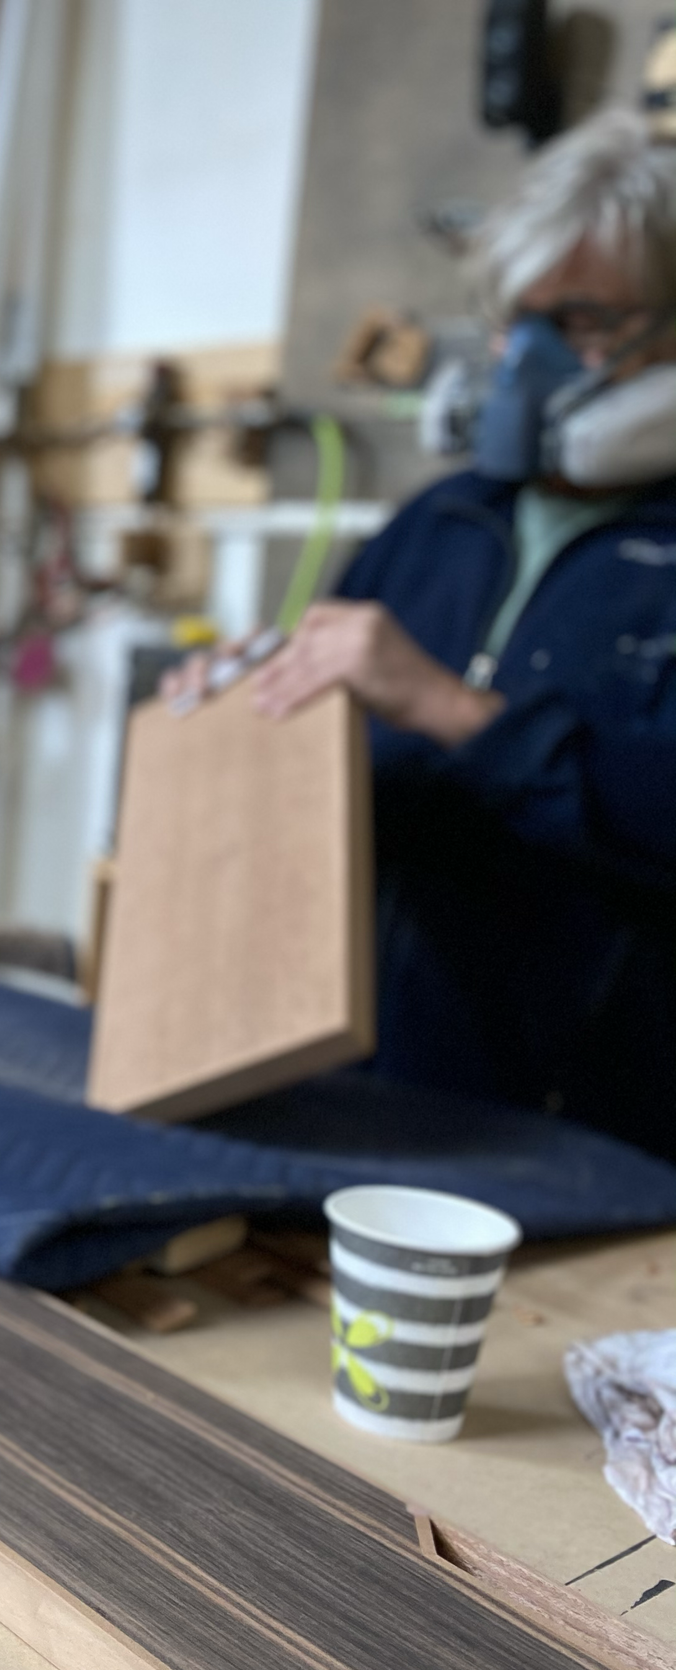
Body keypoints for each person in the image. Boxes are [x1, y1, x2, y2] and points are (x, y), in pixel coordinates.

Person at [168, 107, 676, 1163]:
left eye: (578, 324)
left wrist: (454, 712)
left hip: (601, 1142)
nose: (525, 361)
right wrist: (246, 720)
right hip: (377, 1106)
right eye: (510, 321)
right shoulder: (435, 527)